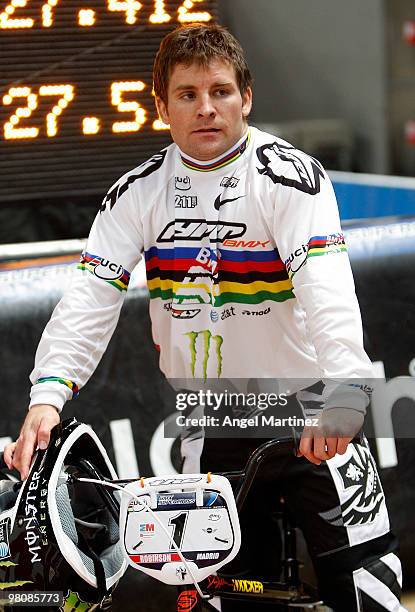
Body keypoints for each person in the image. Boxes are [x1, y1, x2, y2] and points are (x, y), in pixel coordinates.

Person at [4, 24, 404, 611]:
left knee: (368, 592)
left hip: (313, 406)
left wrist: (347, 388)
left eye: (220, 91)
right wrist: (47, 395)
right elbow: (90, 297)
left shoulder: (290, 177)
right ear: (162, 106)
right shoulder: (135, 194)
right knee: (223, 602)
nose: (206, 108)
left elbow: (327, 288)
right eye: (188, 95)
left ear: (247, 96)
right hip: (212, 420)